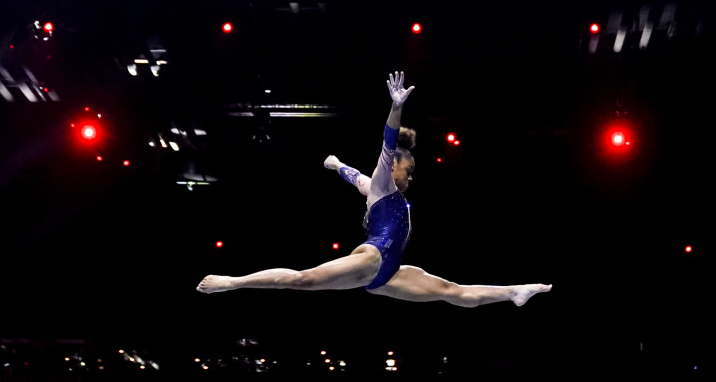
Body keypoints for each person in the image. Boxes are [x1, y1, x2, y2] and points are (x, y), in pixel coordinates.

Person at [196, 72, 551, 306]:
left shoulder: (379, 190)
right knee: (303, 280)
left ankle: (514, 291)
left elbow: (354, 177)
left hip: (390, 273)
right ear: (394, 167)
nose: (410, 178)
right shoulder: (384, 180)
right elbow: (387, 142)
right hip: (374, 258)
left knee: (453, 293)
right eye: (408, 171)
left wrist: (336, 166)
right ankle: (233, 281)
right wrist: (396, 108)